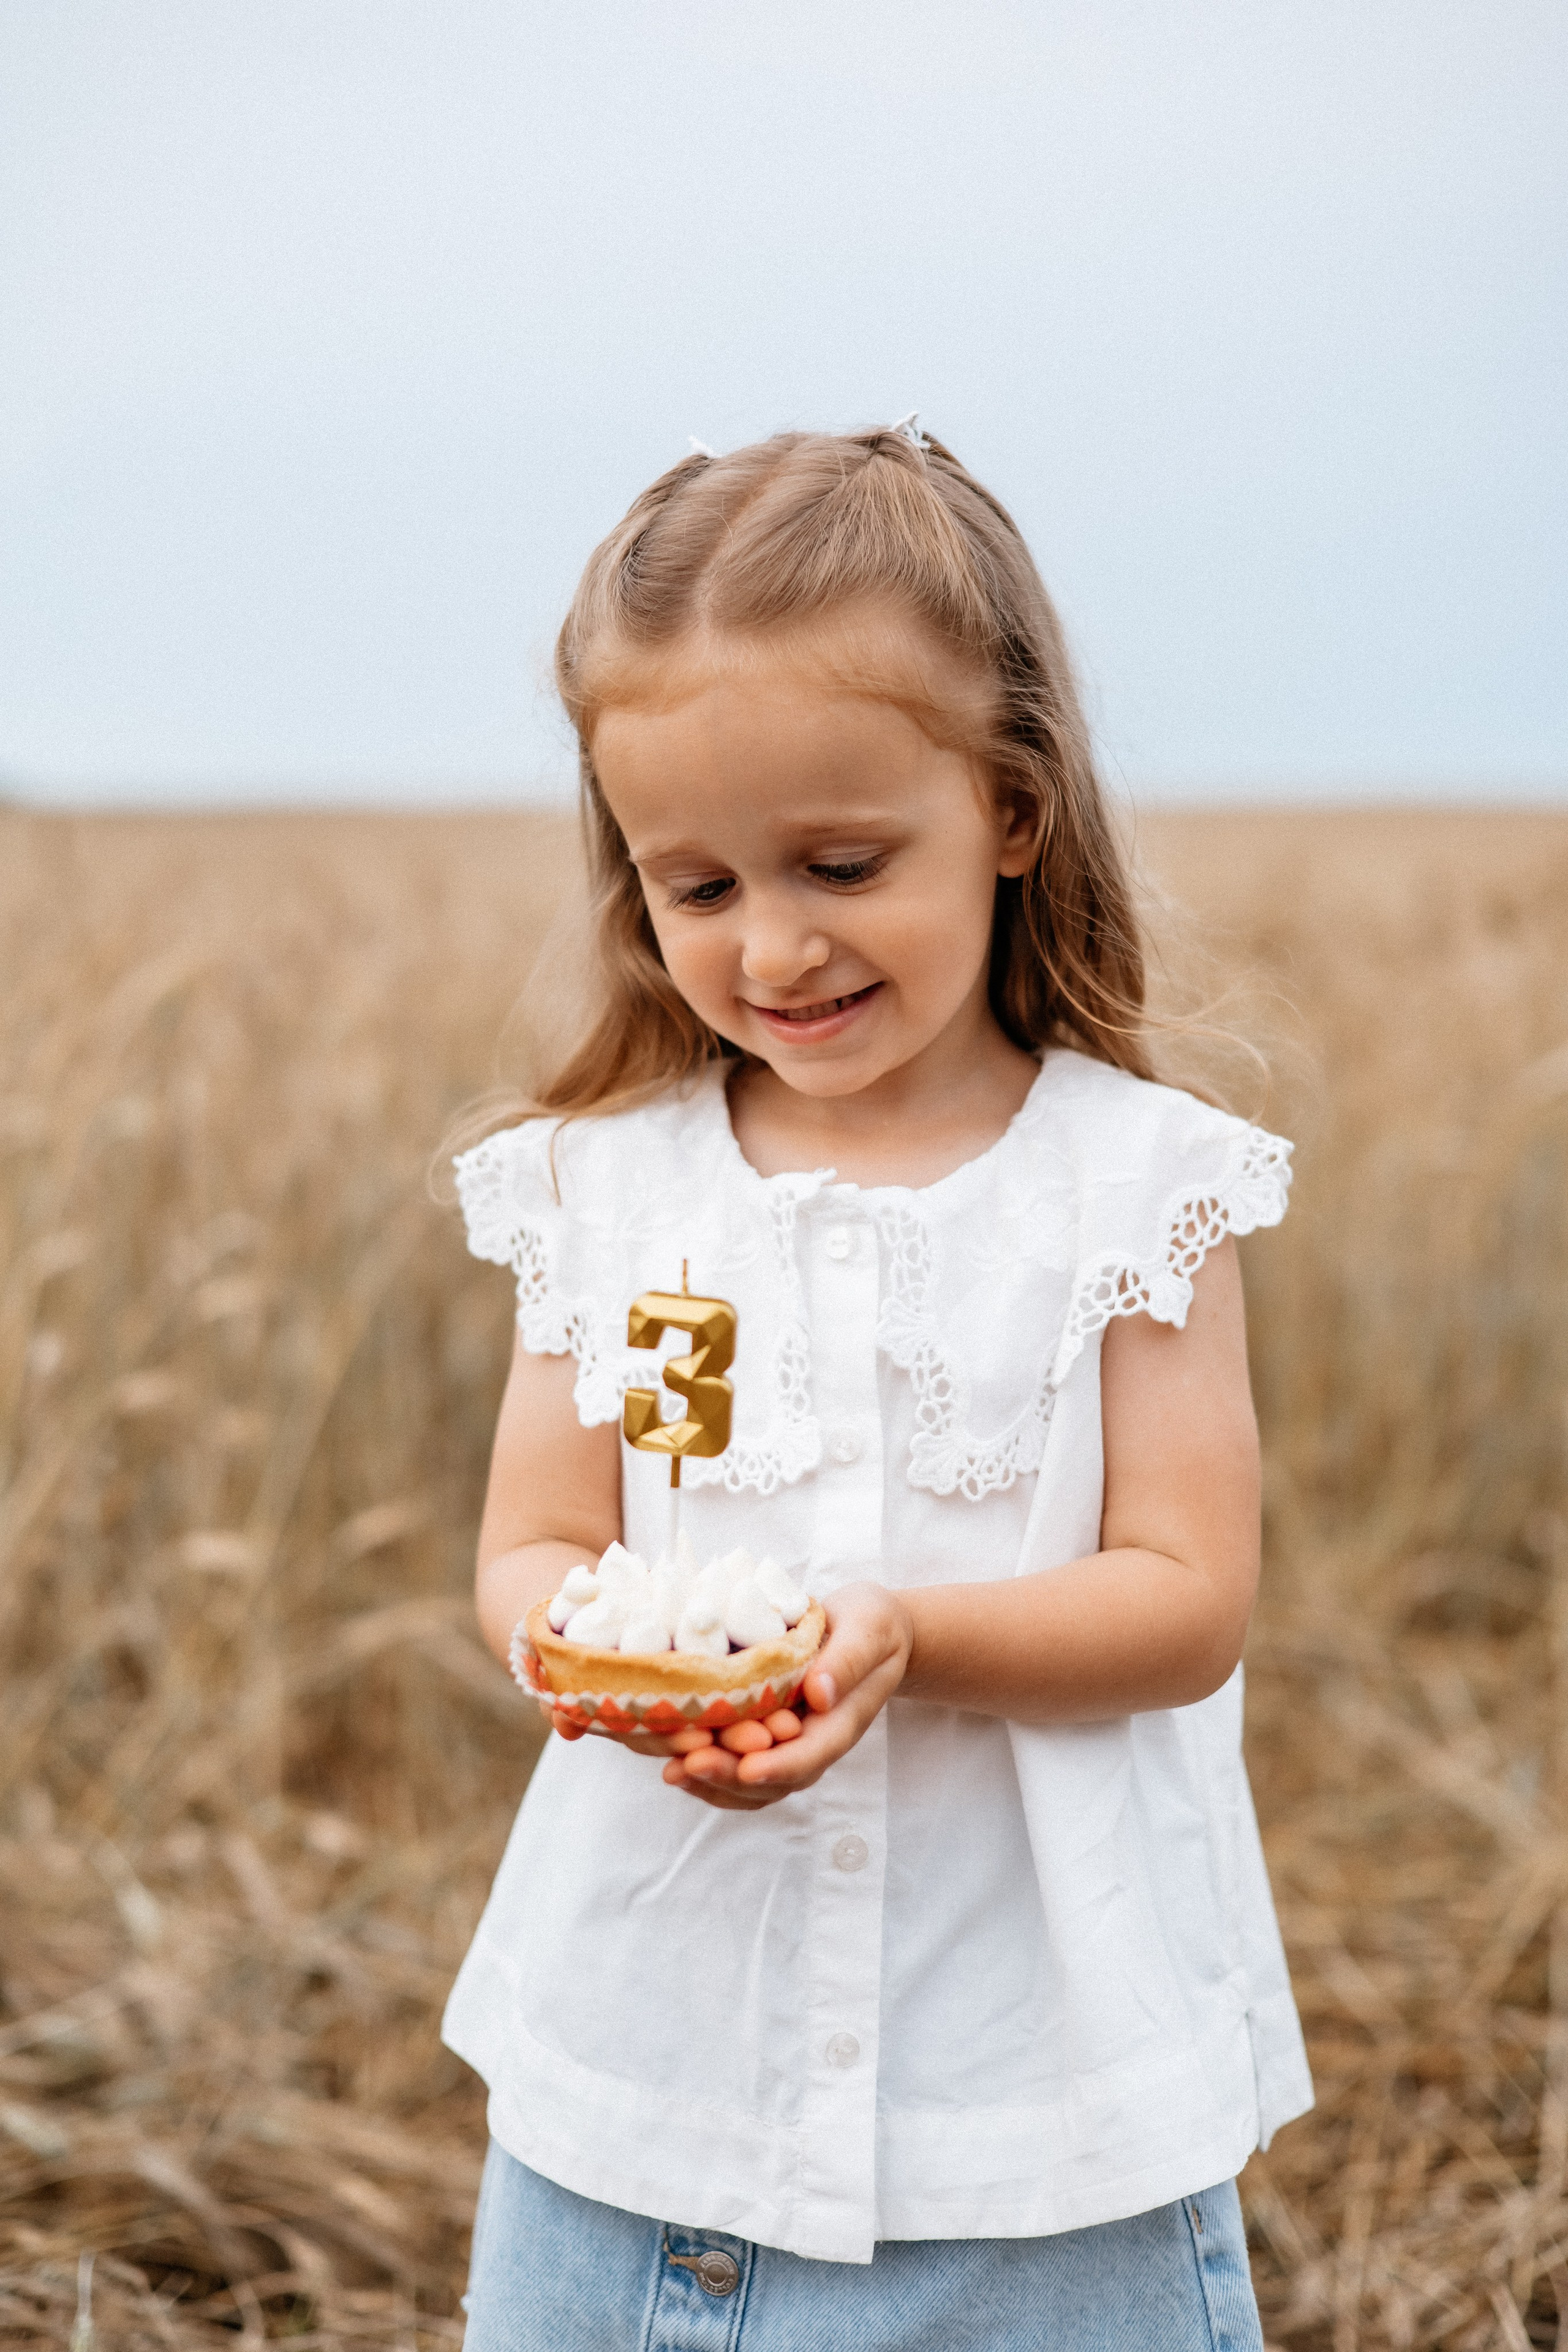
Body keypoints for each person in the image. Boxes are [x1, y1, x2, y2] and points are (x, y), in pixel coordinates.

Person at [445, 423, 1311, 2351]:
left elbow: (1188, 1599)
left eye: (844, 864)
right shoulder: (607, 1187)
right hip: (639, 2089)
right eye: (697, 886)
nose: (773, 945)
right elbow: (536, 1543)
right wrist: (601, 1662)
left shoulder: (1136, 1186)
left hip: (1036, 2144)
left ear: (1011, 808)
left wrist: (904, 1634)